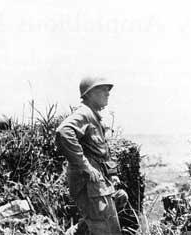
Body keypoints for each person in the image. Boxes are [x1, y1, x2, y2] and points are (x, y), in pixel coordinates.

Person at [55, 77, 127, 235]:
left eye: (108, 90)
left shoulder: (93, 117)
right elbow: (64, 132)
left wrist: (111, 173)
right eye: (102, 89)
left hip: (98, 184)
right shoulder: (84, 114)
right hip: (90, 186)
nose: (107, 93)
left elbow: (99, 150)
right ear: (89, 94)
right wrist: (86, 167)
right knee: (108, 231)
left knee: (118, 201)